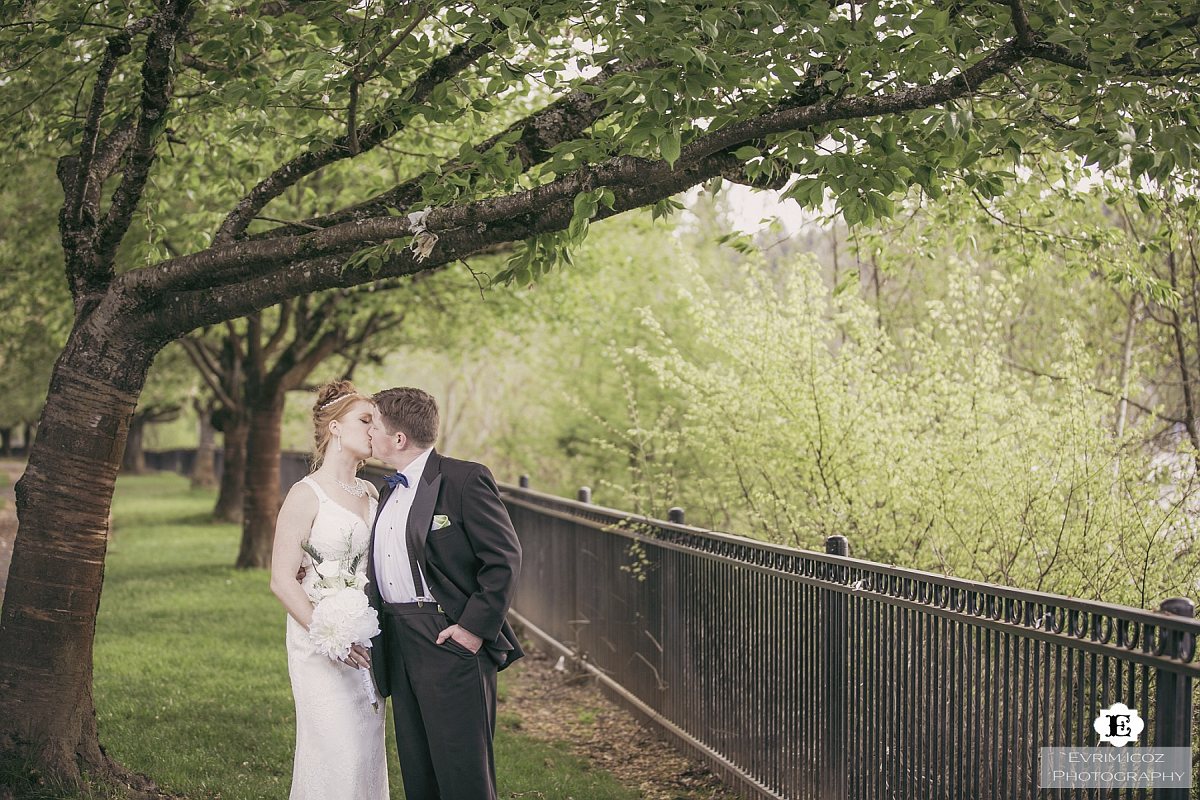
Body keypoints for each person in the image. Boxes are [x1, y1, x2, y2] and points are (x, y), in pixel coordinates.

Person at [366, 386, 523, 800]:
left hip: (447, 634)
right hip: (399, 638)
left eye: (374, 426)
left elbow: (504, 558)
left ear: (398, 439)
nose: (368, 434)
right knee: (419, 769)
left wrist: (472, 629)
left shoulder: (463, 479)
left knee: (461, 769)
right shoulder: (387, 488)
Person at [269, 380, 388, 800]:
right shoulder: (306, 495)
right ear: (335, 428)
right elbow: (282, 579)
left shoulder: (372, 493)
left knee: (366, 750)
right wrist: (331, 634)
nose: (375, 429)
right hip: (319, 640)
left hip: (367, 638)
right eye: (365, 419)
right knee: (336, 749)